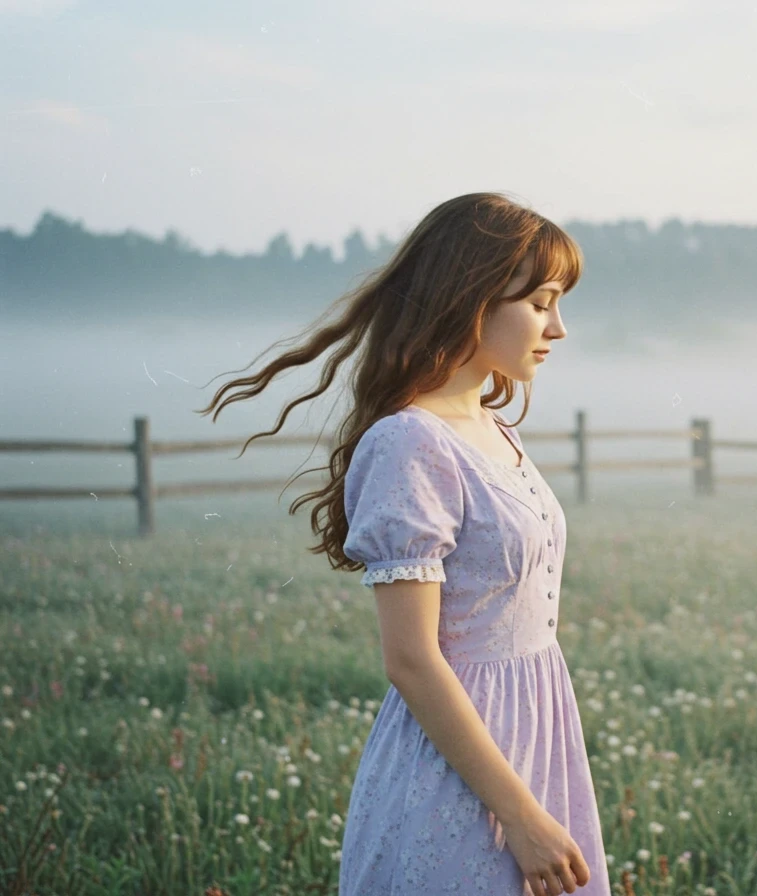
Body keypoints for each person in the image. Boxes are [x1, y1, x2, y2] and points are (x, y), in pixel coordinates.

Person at [196, 193, 608, 895]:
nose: (557, 327)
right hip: (462, 775)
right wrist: (521, 817)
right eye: (541, 302)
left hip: (537, 737)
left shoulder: (488, 424)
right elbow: (412, 659)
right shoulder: (411, 441)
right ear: (472, 298)